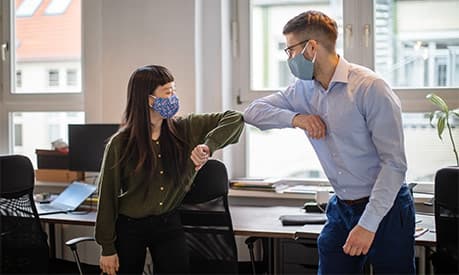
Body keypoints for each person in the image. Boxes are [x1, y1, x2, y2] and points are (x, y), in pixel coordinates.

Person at [244, 10, 415, 274]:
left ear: (311, 47)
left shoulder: (370, 88)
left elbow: (394, 164)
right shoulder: (303, 89)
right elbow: (253, 112)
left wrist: (368, 224)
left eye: (289, 50)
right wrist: (297, 119)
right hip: (342, 206)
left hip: (387, 206)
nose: (288, 58)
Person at [95, 65, 244, 275]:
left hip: (168, 222)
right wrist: (107, 248)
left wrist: (208, 146)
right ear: (149, 100)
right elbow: (107, 196)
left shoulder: (186, 128)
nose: (174, 97)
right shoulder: (120, 143)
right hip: (129, 226)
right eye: (168, 92)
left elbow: (235, 118)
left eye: (174, 90)